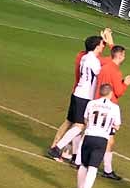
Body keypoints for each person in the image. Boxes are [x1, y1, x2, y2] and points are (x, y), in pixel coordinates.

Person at [48, 30, 112, 161]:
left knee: (73, 123)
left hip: (78, 93)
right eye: (101, 45)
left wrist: (104, 41)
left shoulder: (84, 57)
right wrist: (111, 44)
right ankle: (57, 148)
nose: (102, 47)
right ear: (96, 47)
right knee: (80, 126)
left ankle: (71, 153)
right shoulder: (93, 62)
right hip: (84, 96)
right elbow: (107, 66)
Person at [74, 84, 122, 188]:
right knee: (93, 168)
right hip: (101, 140)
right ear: (110, 93)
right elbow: (117, 125)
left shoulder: (91, 103)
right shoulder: (114, 108)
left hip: (89, 136)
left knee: (83, 165)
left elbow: (85, 120)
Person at [95, 45, 130, 180]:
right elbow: (118, 92)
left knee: (92, 133)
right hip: (109, 108)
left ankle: (77, 159)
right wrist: (126, 83)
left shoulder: (105, 67)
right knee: (109, 141)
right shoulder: (116, 72)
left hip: (97, 103)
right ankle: (107, 169)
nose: (124, 57)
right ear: (119, 56)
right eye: (123, 55)